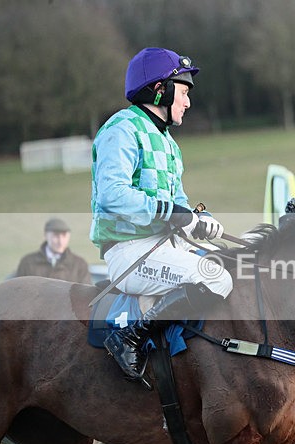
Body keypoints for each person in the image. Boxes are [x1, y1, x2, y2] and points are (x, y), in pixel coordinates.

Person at [90, 47, 232, 381]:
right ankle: (129, 336)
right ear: (161, 90)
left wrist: (202, 220)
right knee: (216, 278)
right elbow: (113, 194)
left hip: (162, 246)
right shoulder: (121, 129)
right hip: (129, 250)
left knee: (233, 266)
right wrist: (175, 214)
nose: (188, 102)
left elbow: (178, 202)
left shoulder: (168, 142)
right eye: (183, 93)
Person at [15, 218, 91, 284]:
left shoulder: (79, 264)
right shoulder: (28, 263)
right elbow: (19, 292)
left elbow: (86, 296)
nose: (60, 241)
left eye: (64, 236)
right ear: (45, 235)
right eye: (56, 236)